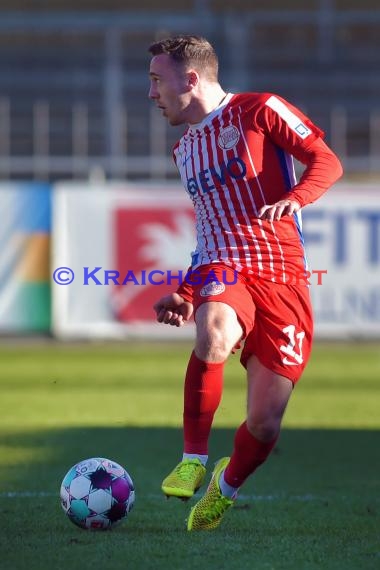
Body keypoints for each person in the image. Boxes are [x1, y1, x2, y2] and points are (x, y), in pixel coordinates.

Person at [148, 35, 343, 531]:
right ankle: (193, 456)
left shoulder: (261, 109)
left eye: (156, 81)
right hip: (224, 269)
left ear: (190, 79)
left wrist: (297, 198)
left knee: (264, 422)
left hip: (282, 277)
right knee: (212, 332)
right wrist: (187, 292)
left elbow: (328, 161)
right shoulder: (184, 151)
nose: (151, 93)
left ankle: (225, 486)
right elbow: (210, 233)